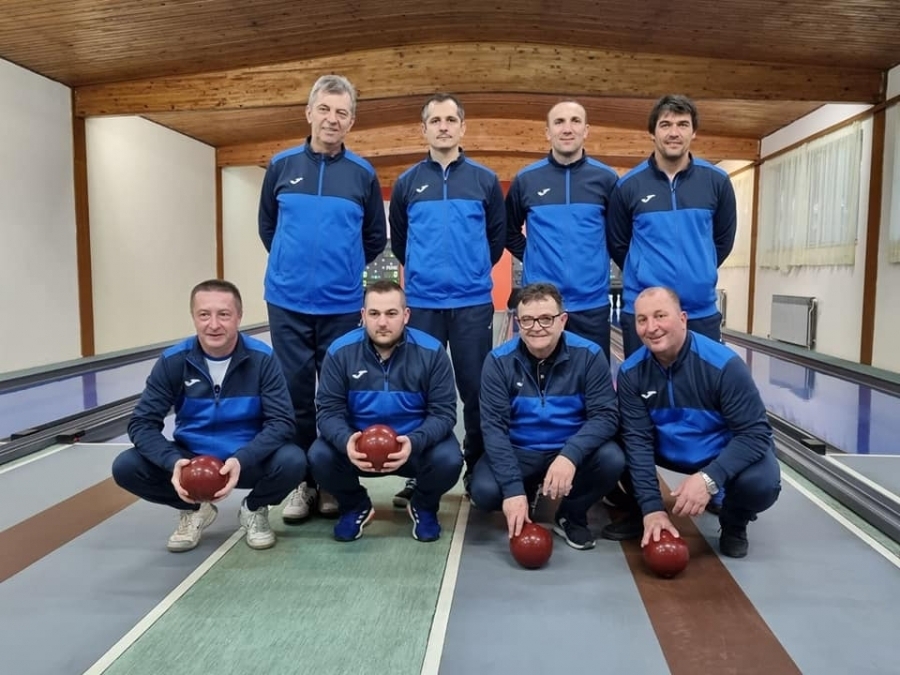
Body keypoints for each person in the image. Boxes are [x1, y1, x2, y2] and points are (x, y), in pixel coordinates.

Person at [258, 74, 387, 521]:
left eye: (342, 112)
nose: (332, 119)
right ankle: (303, 484)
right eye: (325, 109)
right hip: (287, 302)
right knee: (294, 397)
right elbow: (268, 228)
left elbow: (374, 238)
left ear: (351, 121)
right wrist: (292, 266)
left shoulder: (362, 174)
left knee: (337, 398)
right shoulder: (281, 166)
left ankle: (333, 481)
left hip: (340, 305)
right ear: (309, 112)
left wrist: (343, 271)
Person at [112, 280, 306, 552]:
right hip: (192, 460)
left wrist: (243, 458)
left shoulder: (262, 358)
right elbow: (142, 423)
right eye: (204, 314)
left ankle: (253, 509)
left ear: (239, 316)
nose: (213, 325)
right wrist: (173, 462)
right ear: (193, 316)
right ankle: (195, 509)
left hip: (245, 460)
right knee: (126, 466)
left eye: (223, 314)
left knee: (294, 460)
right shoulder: (173, 361)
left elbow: (282, 422)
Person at [603, 287, 781, 558]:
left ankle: (734, 522)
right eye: (642, 319)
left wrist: (710, 478)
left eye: (660, 316)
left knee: (762, 482)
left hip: (719, 451)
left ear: (682, 319)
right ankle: (641, 511)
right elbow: (637, 442)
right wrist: (652, 507)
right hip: (667, 450)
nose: (651, 327)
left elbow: (755, 434)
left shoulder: (724, 366)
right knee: (610, 436)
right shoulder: (631, 373)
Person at [389, 92, 505, 503]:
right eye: (435, 121)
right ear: (424, 129)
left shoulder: (484, 180)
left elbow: (495, 240)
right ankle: (420, 471)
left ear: (462, 127)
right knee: (419, 391)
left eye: (450, 120)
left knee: (475, 390)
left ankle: (477, 466)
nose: (443, 127)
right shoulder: (407, 183)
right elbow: (401, 243)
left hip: (472, 303)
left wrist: (470, 272)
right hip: (423, 304)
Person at [470, 282, 625, 550]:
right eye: (527, 320)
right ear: (518, 322)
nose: (536, 327)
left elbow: (606, 415)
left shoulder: (589, 355)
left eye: (546, 318)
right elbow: (494, 429)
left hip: (567, 448)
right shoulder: (498, 361)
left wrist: (570, 455)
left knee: (612, 459)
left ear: (562, 320)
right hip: (520, 450)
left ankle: (571, 514)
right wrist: (512, 489)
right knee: (484, 492)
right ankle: (526, 489)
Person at [308, 280, 462, 542]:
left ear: (406, 315)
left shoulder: (432, 351)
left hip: (413, 447)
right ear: (363, 315)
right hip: (359, 449)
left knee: (450, 459)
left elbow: (444, 413)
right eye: (374, 313)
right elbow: (328, 411)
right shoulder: (340, 351)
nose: (382, 322)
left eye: (391, 313)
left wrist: (414, 442)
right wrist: (347, 441)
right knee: (319, 455)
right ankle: (355, 505)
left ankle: (423, 505)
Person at [607, 94, 736, 358]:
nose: (674, 133)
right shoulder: (628, 185)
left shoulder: (717, 181)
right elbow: (618, 243)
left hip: (699, 311)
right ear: (652, 133)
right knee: (644, 385)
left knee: (701, 385)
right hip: (645, 311)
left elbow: (723, 241)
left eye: (682, 124)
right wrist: (644, 270)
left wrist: (699, 269)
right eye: (665, 125)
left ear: (693, 132)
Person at [505, 100, 619, 359]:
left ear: (586, 130)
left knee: (593, 379)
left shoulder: (606, 179)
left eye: (575, 121)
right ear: (548, 132)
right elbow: (507, 231)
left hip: (592, 304)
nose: (567, 129)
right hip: (540, 305)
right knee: (538, 378)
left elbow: (619, 235)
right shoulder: (527, 179)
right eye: (559, 122)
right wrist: (534, 256)